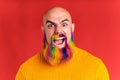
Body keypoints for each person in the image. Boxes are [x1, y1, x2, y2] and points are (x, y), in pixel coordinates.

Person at [15, 6, 110, 80]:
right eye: (50, 25)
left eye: (64, 24)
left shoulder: (96, 67)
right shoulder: (26, 71)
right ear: (43, 30)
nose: (58, 30)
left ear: (72, 28)